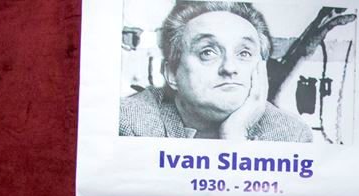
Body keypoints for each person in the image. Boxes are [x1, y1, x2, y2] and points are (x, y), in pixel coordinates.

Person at [119, 2, 312, 142]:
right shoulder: (129, 121)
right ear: (172, 73)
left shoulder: (290, 135)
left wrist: (234, 136)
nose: (229, 68)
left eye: (244, 53)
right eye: (207, 52)